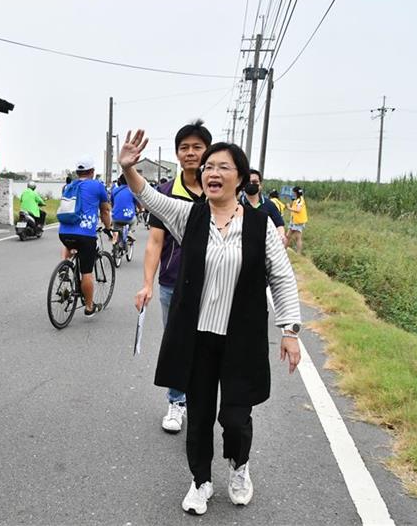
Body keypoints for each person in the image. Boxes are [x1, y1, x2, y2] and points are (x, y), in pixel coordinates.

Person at [118, 130, 302, 515]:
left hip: (241, 339)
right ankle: (200, 480)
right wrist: (129, 169)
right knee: (199, 416)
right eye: (208, 167)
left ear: (241, 176)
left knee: (235, 417)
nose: (212, 172)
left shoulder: (259, 226)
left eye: (222, 166)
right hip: (197, 337)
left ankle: (239, 466)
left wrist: (290, 331)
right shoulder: (190, 216)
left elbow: (281, 277)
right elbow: (150, 197)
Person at [135, 120, 211, 434]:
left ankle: (201, 401)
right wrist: (147, 283)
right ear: (178, 154)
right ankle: (176, 402)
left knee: (207, 344)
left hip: (213, 282)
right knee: (177, 343)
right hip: (173, 282)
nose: (190, 153)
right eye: (184, 148)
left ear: (208, 150)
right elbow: (155, 241)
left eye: (197, 147)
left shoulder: (219, 186)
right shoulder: (165, 192)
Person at [58, 157, 112, 318]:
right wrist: (108, 228)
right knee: (86, 272)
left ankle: (65, 266)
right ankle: (89, 307)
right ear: (92, 172)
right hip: (86, 235)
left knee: (70, 242)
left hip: (64, 232)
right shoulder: (97, 185)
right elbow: (105, 211)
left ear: (77, 172)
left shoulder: (69, 185)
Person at [241, 169, 286, 246]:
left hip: (265, 246)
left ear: (260, 185)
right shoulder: (237, 204)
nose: (251, 184)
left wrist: (281, 236)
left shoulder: (270, 205)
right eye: (248, 182)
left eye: (255, 182)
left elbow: (279, 225)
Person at [110, 174, 137, 250]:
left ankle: (115, 243)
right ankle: (130, 232)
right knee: (134, 220)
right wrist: (140, 209)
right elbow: (137, 202)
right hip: (128, 217)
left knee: (116, 228)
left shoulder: (114, 190)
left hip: (115, 217)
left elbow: (112, 202)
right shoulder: (132, 191)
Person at [286, 186, 308, 254]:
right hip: (294, 220)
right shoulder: (297, 199)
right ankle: (284, 249)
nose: (292, 193)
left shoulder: (300, 200)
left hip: (298, 221)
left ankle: (298, 253)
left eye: (293, 192)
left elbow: (298, 210)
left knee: (298, 238)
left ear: (296, 192)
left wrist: (289, 208)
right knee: (288, 236)